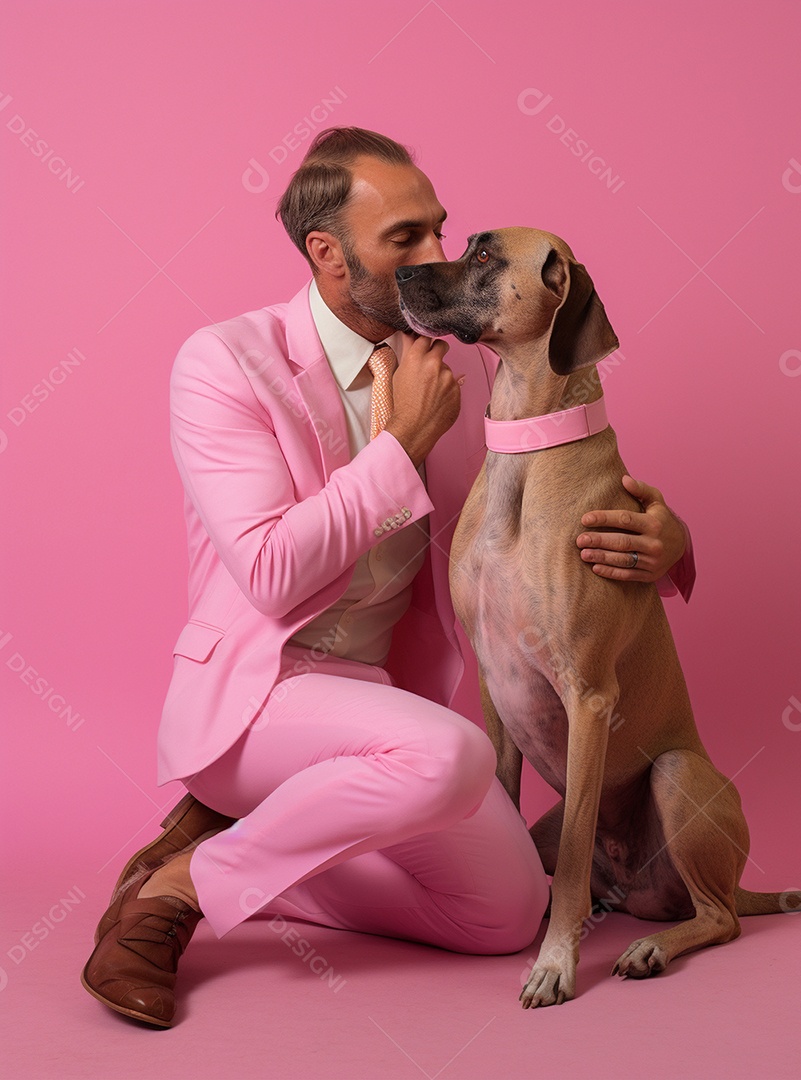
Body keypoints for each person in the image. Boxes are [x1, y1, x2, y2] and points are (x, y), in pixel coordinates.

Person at [81, 127, 695, 1027]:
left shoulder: (465, 369)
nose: (434, 257)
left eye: (439, 232)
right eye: (403, 239)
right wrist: (402, 443)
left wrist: (671, 542)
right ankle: (179, 887)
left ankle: (264, 856)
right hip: (261, 698)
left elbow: (551, 515)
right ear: (327, 255)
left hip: (381, 712)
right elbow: (270, 570)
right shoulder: (224, 363)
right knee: (455, 753)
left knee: (505, 912)